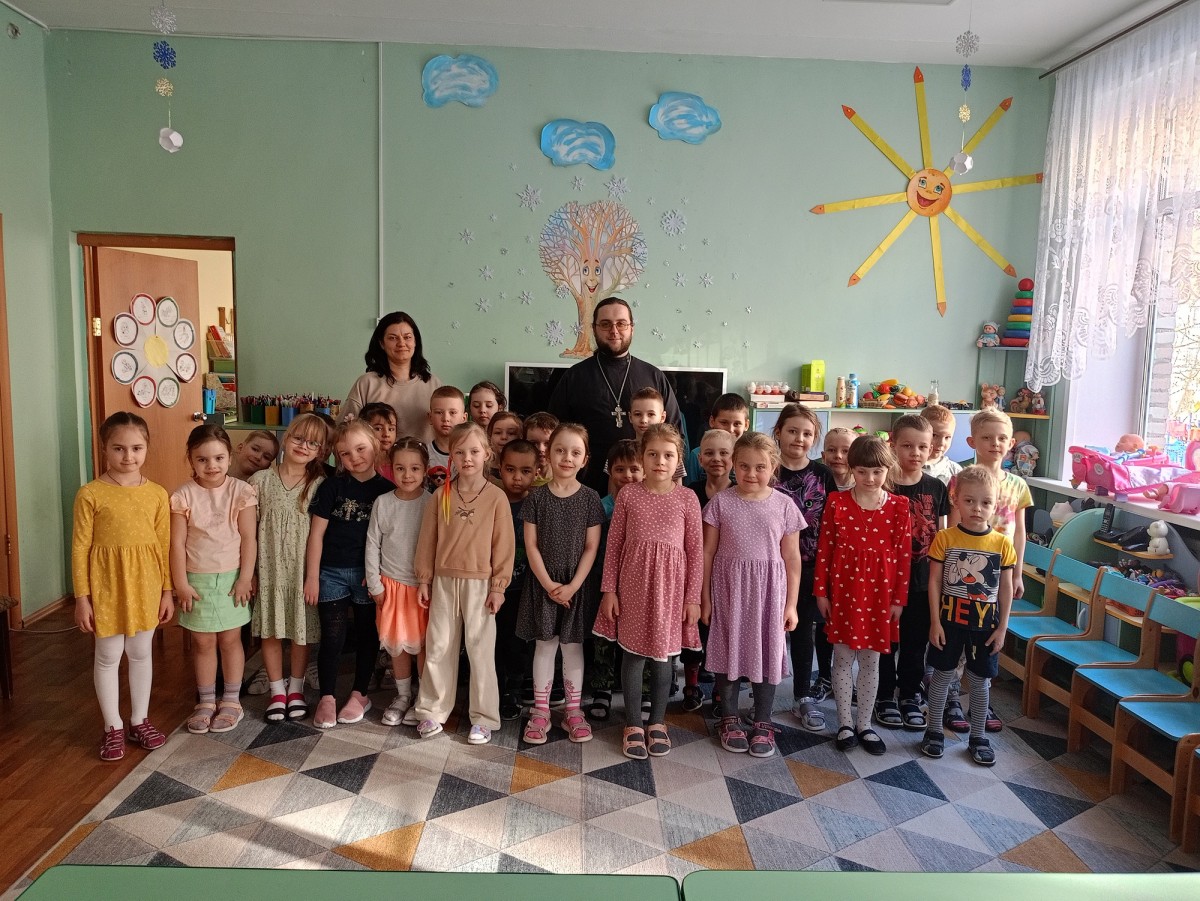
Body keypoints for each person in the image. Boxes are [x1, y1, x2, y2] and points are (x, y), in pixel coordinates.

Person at [597, 423, 703, 759]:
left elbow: (695, 552)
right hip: (632, 588)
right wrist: (609, 590)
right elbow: (614, 546)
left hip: (671, 593)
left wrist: (693, 598)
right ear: (642, 457)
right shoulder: (629, 494)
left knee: (664, 659)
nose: (660, 461)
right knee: (633, 656)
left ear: (678, 460)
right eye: (653, 454)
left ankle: (657, 721)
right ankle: (632, 723)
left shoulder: (687, 498)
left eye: (668, 455)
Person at [72, 412, 173, 761]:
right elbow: (80, 548)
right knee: (108, 655)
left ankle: (139, 720)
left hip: (146, 585)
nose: (128, 456)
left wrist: (167, 591)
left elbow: (164, 546)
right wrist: (82, 598)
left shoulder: (157, 494)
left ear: (146, 448)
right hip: (106, 586)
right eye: (119, 448)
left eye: (136, 448)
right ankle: (112, 725)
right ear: (104, 449)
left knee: (141, 652)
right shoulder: (90, 494)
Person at [411, 423, 515, 744]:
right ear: (451, 456)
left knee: (481, 651)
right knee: (439, 646)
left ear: (487, 454)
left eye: (474, 451)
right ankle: (432, 710)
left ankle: (483, 718)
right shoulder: (440, 495)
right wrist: (424, 579)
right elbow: (427, 540)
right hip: (444, 581)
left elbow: (504, 545)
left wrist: (498, 587)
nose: (467, 458)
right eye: (460, 452)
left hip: (481, 585)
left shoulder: (496, 497)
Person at [702, 432, 804, 758]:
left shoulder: (784, 505)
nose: (751, 473)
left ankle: (763, 719)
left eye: (760, 467)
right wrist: (704, 598)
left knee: (767, 651)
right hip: (729, 589)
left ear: (773, 466)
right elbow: (707, 553)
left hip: (769, 593)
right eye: (744, 465)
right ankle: (729, 717)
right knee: (727, 647)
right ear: (733, 464)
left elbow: (792, 559)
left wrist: (791, 605)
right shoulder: (720, 503)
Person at [814, 435, 911, 756]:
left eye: (877, 472)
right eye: (862, 471)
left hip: (880, 597)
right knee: (842, 659)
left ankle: (864, 724)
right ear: (851, 469)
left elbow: (904, 557)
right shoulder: (837, 503)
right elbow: (825, 550)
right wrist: (821, 593)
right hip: (843, 593)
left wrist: (899, 600)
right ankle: (844, 723)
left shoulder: (899, 507)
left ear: (888, 470)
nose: (870, 478)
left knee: (871, 661)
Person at [940, 407, 1031, 734]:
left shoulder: (1018, 484)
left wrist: (1017, 573)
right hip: (965, 571)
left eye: (1002, 438)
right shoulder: (960, 480)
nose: (995, 443)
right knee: (957, 634)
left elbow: (1020, 533)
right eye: (987, 438)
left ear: (1011, 444)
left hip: (999, 575)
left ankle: (981, 697)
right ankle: (950, 696)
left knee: (988, 637)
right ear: (972, 441)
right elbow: (952, 528)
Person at [518, 423, 605, 745]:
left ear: (585, 459)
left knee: (572, 646)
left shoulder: (590, 498)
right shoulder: (536, 497)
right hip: (543, 584)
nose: (567, 457)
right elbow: (531, 546)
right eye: (560, 450)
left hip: (576, 585)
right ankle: (540, 711)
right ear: (548, 454)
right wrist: (549, 585)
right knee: (544, 645)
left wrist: (572, 586)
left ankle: (573, 710)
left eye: (575, 452)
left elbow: (592, 547)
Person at [923, 466, 1015, 767]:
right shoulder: (945, 538)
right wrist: (935, 621)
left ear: (995, 504)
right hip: (949, 624)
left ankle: (978, 737)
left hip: (985, 627)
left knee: (979, 681)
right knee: (942, 676)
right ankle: (933, 730)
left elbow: (1005, 588)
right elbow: (935, 581)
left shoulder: (1002, 544)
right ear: (956, 500)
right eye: (969, 501)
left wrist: (1002, 628)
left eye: (986, 502)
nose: (977, 508)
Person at [304, 420, 393, 729]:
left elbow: (388, 540)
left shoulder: (387, 491)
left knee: (367, 635)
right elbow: (316, 535)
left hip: (368, 576)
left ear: (376, 446)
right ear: (337, 457)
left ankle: (359, 694)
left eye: (360, 449)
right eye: (345, 453)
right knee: (332, 637)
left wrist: (378, 574)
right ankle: (327, 697)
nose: (355, 457)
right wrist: (312, 576)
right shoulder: (332, 487)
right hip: (330, 573)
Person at [170, 424, 258, 736]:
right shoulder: (182, 496)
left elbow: (248, 538)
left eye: (219, 458)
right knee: (203, 642)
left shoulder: (241, 491)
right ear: (190, 460)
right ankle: (206, 700)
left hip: (233, 579)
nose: (212, 466)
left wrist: (245, 577)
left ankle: (232, 700)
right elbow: (176, 544)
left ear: (229, 457)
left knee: (230, 640)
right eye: (202, 459)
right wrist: (180, 583)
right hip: (196, 580)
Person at [547, 296, 685, 495]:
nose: (614, 331)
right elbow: (555, 433)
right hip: (584, 486)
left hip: (648, 489)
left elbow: (675, 435)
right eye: (605, 324)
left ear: (632, 328)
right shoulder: (574, 377)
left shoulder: (653, 376)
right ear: (594, 329)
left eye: (621, 323)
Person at [248, 413, 329, 722]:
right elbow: (248, 533)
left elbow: (319, 535)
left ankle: (295, 689)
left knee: (300, 632)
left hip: (301, 574)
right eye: (298, 438)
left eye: (312, 443)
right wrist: (250, 572)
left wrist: (313, 577)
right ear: (286, 437)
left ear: (320, 451)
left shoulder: (319, 485)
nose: (303, 446)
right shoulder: (260, 481)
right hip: (269, 571)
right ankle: (276, 691)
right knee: (270, 632)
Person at [874, 414, 948, 732]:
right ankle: (883, 695)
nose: (915, 453)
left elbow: (943, 538)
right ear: (893, 444)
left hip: (922, 582)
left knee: (915, 643)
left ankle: (909, 695)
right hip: (885, 582)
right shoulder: (882, 484)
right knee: (885, 642)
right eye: (907, 445)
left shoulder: (936, 487)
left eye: (922, 446)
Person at [772, 404, 837, 733]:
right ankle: (761, 694)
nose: (799, 438)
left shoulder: (823, 475)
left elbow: (833, 524)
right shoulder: (767, 469)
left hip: (810, 565)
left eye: (807, 433)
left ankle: (802, 695)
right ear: (778, 432)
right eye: (792, 431)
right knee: (767, 630)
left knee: (802, 632)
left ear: (814, 439)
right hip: (767, 565)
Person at [366, 437, 431, 727]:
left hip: (423, 589)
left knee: (425, 645)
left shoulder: (432, 503)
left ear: (425, 469)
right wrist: (375, 585)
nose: (407, 475)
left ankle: (423, 698)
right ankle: (403, 695)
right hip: (391, 587)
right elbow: (372, 544)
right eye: (400, 468)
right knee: (399, 646)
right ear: (391, 469)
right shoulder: (383, 503)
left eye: (415, 468)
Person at [679, 428, 734, 712]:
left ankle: (721, 689)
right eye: (709, 453)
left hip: (729, 573)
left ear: (734, 458)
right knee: (694, 627)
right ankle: (692, 683)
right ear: (699, 459)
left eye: (724, 453)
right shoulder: (691, 493)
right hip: (695, 570)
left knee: (723, 629)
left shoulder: (740, 493)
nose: (716, 459)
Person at [589, 439, 643, 721]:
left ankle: (642, 690)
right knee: (604, 637)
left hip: (639, 581)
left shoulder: (649, 504)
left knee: (639, 634)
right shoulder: (602, 506)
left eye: (634, 469)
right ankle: (602, 688)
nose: (627, 476)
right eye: (620, 469)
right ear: (610, 472)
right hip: (605, 579)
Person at [342, 311, 442, 442]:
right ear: (381, 343)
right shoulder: (366, 383)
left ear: (415, 341)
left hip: (426, 456)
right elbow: (344, 432)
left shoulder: (433, 384)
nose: (401, 343)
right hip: (377, 456)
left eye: (407, 337)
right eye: (393, 338)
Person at [495, 439, 538, 720]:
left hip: (525, 587)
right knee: (494, 640)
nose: (517, 477)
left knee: (518, 641)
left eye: (525, 471)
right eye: (510, 469)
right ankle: (496, 688)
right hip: (493, 587)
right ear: (500, 468)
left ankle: (514, 687)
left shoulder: (537, 503)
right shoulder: (491, 499)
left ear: (536, 471)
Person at [685, 393, 749, 479]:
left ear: (746, 425)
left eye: (737, 424)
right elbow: (690, 487)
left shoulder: (750, 455)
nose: (730, 429)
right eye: (724, 423)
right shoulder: (696, 455)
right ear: (712, 421)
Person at [630, 388, 687, 482]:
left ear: (662, 417)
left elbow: (678, 488)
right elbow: (612, 489)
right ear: (630, 417)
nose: (644, 420)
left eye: (651, 414)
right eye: (638, 414)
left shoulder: (671, 452)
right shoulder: (621, 450)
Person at [921, 404, 963, 484]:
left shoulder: (955, 471)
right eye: (934, 435)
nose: (941, 443)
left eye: (947, 437)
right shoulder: (908, 467)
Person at [360, 402, 398, 484]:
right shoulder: (359, 463)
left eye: (391, 429)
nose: (386, 434)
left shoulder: (398, 462)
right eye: (378, 429)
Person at [523, 411, 559, 487]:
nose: (541, 449)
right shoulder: (518, 478)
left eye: (547, 443)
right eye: (533, 443)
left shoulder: (564, 476)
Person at [487, 410, 524, 480]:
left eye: (511, 433)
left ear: (520, 437)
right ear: (489, 436)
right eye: (498, 432)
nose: (504, 437)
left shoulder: (526, 468)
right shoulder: (481, 469)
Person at [822, 427, 855, 491]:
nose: (838, 456)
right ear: (823, 456)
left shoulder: (863, 485)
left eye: (846, 451)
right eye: (832, 450)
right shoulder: (815, 484)